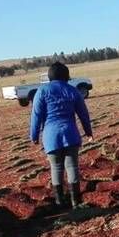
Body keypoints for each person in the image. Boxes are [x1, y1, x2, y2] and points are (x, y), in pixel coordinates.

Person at [30, 62, 93, 208]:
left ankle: (59, 202)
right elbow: (83, 114)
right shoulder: (73, 91)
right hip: (70, 134)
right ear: (67, 76)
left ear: (49, 76)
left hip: (51, 137)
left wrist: (34, 136)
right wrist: (88, 131)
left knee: (56, 168)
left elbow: (36, 115)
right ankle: (75, 202)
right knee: (72, 167)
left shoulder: (42, 91)